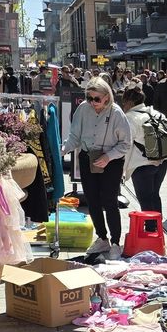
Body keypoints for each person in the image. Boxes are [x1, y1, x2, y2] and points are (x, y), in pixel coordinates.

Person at [63, 77, 133, 257]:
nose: (92, 102)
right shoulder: (83, 109)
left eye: (97, 99)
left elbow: (126, 144)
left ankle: (116, 242)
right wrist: (63, 150)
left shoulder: (116, 113)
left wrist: (108, 157)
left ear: (107, 97)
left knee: (109, 201)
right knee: (92, 200)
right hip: (88, 157)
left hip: (111, 159)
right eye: (89, 98)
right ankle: (102, 238)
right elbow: (74, 137)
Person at [122, 84, 167, 215]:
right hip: (162, 162)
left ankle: (150, 229)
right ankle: (158, 228)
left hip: (142, 165)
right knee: (155, 196)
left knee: (145, 200)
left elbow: (127, 145)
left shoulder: (130, 117)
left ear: (129, 102)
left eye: (124, 102)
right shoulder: (157, 114)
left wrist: (122, 171)